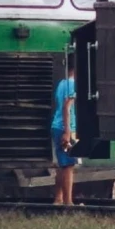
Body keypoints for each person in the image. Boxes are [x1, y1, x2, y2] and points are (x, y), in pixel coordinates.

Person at [51, 56, 78, 206]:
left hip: (56, 126)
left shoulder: (62, 84)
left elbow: (59, 104)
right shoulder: (74, 85)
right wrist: (68, 132)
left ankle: (58, 199)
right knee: (69, 166)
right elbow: (67, 107)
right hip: (66, 127)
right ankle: (68, 203)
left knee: (62, 165)